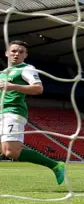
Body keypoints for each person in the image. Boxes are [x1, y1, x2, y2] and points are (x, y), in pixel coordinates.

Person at [0, 40, 65, 184]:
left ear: (25, 55)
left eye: (21, 52)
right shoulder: (2, 74)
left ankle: (55, 165)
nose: (16, 54)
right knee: (3, 150)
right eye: (13, 51)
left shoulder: (26, 68)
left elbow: (38, 89)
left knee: (11, 152)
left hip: (13, 111)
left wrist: (13, 86)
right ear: (6, 53)